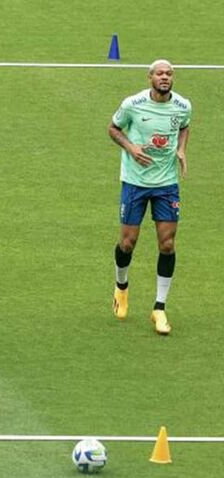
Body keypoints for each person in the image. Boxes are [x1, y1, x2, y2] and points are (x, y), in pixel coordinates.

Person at [108, 59, 191, 335]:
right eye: (159, 73)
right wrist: (131, 148)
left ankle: (159, 308)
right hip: (135, 182)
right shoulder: (132, 104)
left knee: (167, 244)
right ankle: (121, 287)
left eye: (169, 73)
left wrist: (181, 149)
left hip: (167, 184)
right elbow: (113, 128)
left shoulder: (182, 106)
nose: (165, 77)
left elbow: (184, 126)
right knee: (127, 242)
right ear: (149, 77)